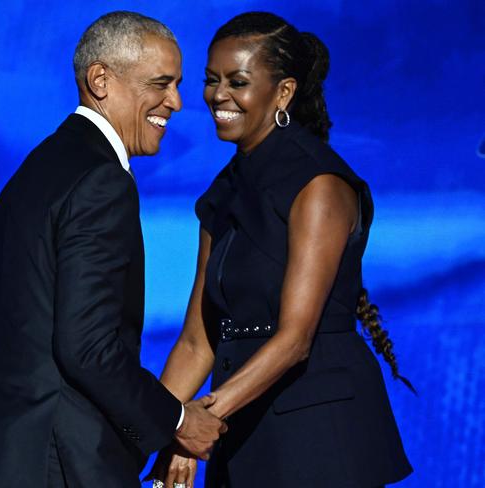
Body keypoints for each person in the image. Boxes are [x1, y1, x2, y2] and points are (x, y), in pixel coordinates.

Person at [0, 11, 227, 488]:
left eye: (178, 84)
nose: (176, 102)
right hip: (61, 465)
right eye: (161, 84)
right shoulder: (102, 181)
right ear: (101, 80)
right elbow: (88, 348)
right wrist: (178, 421)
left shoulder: (33, 171)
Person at [148, 12, 413, 488]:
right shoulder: (222, 192)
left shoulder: (319, 183)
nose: (218, 95)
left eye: (238, 81)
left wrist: (198, 423)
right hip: (238, 427)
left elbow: (295, 340)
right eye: (211, 80)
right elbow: (196, 341)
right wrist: (156, 430)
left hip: (316, 437)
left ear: (284, 92)